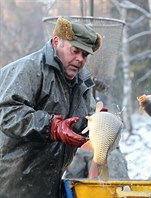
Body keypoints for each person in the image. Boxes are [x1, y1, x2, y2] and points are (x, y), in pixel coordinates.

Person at [0, 17, 103, 198]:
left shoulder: (82, 82)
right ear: (57, 42)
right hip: (13, 183)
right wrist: (52, 126)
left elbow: (79, 125)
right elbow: (7, 113)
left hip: (49, 181)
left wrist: (97, 124)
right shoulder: (30, 69)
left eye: (85, 55)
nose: (80, 59)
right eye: (75, 51)